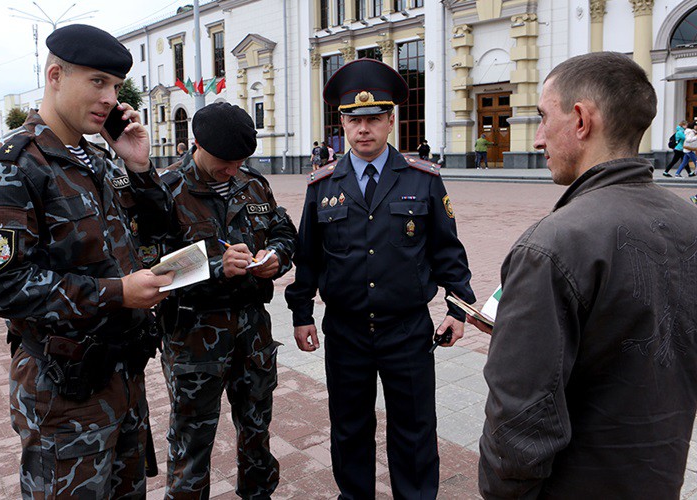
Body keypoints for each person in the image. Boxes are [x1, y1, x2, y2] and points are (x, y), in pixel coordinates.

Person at [467, 52, 697, 498]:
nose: (535, 139)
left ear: (580, 120)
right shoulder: (688, 220)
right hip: (659, 478)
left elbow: (518, 421)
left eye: (541, 117)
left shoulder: (552, 244)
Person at [0, 24, 175, 498]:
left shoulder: (100, 159)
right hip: (63, 391)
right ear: (56, 75)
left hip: (120, 377)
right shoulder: (12, 165)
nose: (110, 98)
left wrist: (140, 168)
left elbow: (162, 230)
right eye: (97, 82)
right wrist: (117, 292)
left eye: (116, 86)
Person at [284, 58, 476, 499]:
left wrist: (458, 310)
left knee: (414, 428)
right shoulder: (322, 185)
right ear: (342, 124)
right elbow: (308, 256)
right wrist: (300, 313)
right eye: (354, 119)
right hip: (346, 331)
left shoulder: (422, 180)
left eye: (373, 119)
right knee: (349, 427)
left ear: (392, 121)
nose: (363, 129)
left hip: (406, 329)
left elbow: (448, 251)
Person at [158, 102, 297, 498]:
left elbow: (284, 232)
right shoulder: (166, 191)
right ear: (196, 144)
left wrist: (276, 258)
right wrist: (214, 264)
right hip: (194, 339)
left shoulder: (253, 183)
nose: (232, 170)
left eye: (240, 161)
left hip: (252, 334)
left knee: (256, 431)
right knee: (191, 441)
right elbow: (147, 267)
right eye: (224, 162)